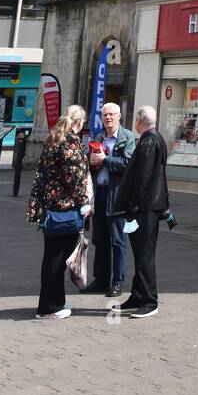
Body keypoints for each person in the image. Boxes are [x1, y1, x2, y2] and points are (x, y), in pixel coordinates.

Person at [26, 104, 93, 320]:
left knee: (53, 257)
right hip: (64, 210)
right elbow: (75, 179)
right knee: (57, 259)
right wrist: (86, 203)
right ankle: (49, 307)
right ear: (80, 122)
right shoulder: (69, 144)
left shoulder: (54, 139)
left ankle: (54, 301)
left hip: (51, 208)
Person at [114, 106, 169, 319]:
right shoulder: (156, 140)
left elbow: (142, 178)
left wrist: (133, 206)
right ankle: (137, 295)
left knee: (145, 254)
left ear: (139, 120)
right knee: (140, 252)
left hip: (145, 207)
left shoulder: (149, 142)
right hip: (149, 205)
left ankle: (149, 300)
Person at [82, 102, 135, 298]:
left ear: (119, 116)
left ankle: (118, 282)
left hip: (118, 196)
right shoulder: (98, 138)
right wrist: (92, 162)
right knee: (100, 240)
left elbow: (129, 164)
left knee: (118, 241)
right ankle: (101, 280)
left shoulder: (127, 138)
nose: (108, 118)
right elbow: (94, 166)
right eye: (105, 115)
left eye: (112, 114)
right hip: (101, 194)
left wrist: (105, 160)